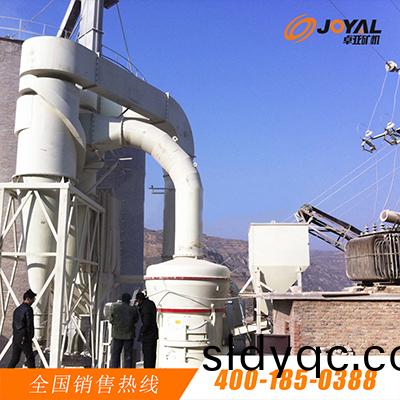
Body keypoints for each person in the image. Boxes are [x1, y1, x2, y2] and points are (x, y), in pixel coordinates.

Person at [8, 289, 36, 368]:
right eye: (33, 299)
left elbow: (14, 324)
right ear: (28, 299)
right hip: (24, 338)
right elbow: (29, 325)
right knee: (30, 359)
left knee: (14, 359)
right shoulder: (28, 309)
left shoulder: (17, 309)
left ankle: (5, 374)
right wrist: (30, 337)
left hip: (16, 337)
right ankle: (33, 375)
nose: (33, 301)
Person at [110, 292, 138, 368]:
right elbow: (136, 320)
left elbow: (111, 320)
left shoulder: (115, 307)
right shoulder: (133, 309)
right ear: (129, 300)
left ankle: (114, 370)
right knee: (128, 355)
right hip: (129, 335)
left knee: (115, 354)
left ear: (122, 299)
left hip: (117, 335)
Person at [135, 291, 158, 368]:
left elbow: (146, 323)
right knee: (152, 355)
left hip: (148, 336)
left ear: (139, 300)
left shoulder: (145, 308)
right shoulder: (151, 303)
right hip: (153, 334)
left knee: (148, 355)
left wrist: (142, 333)